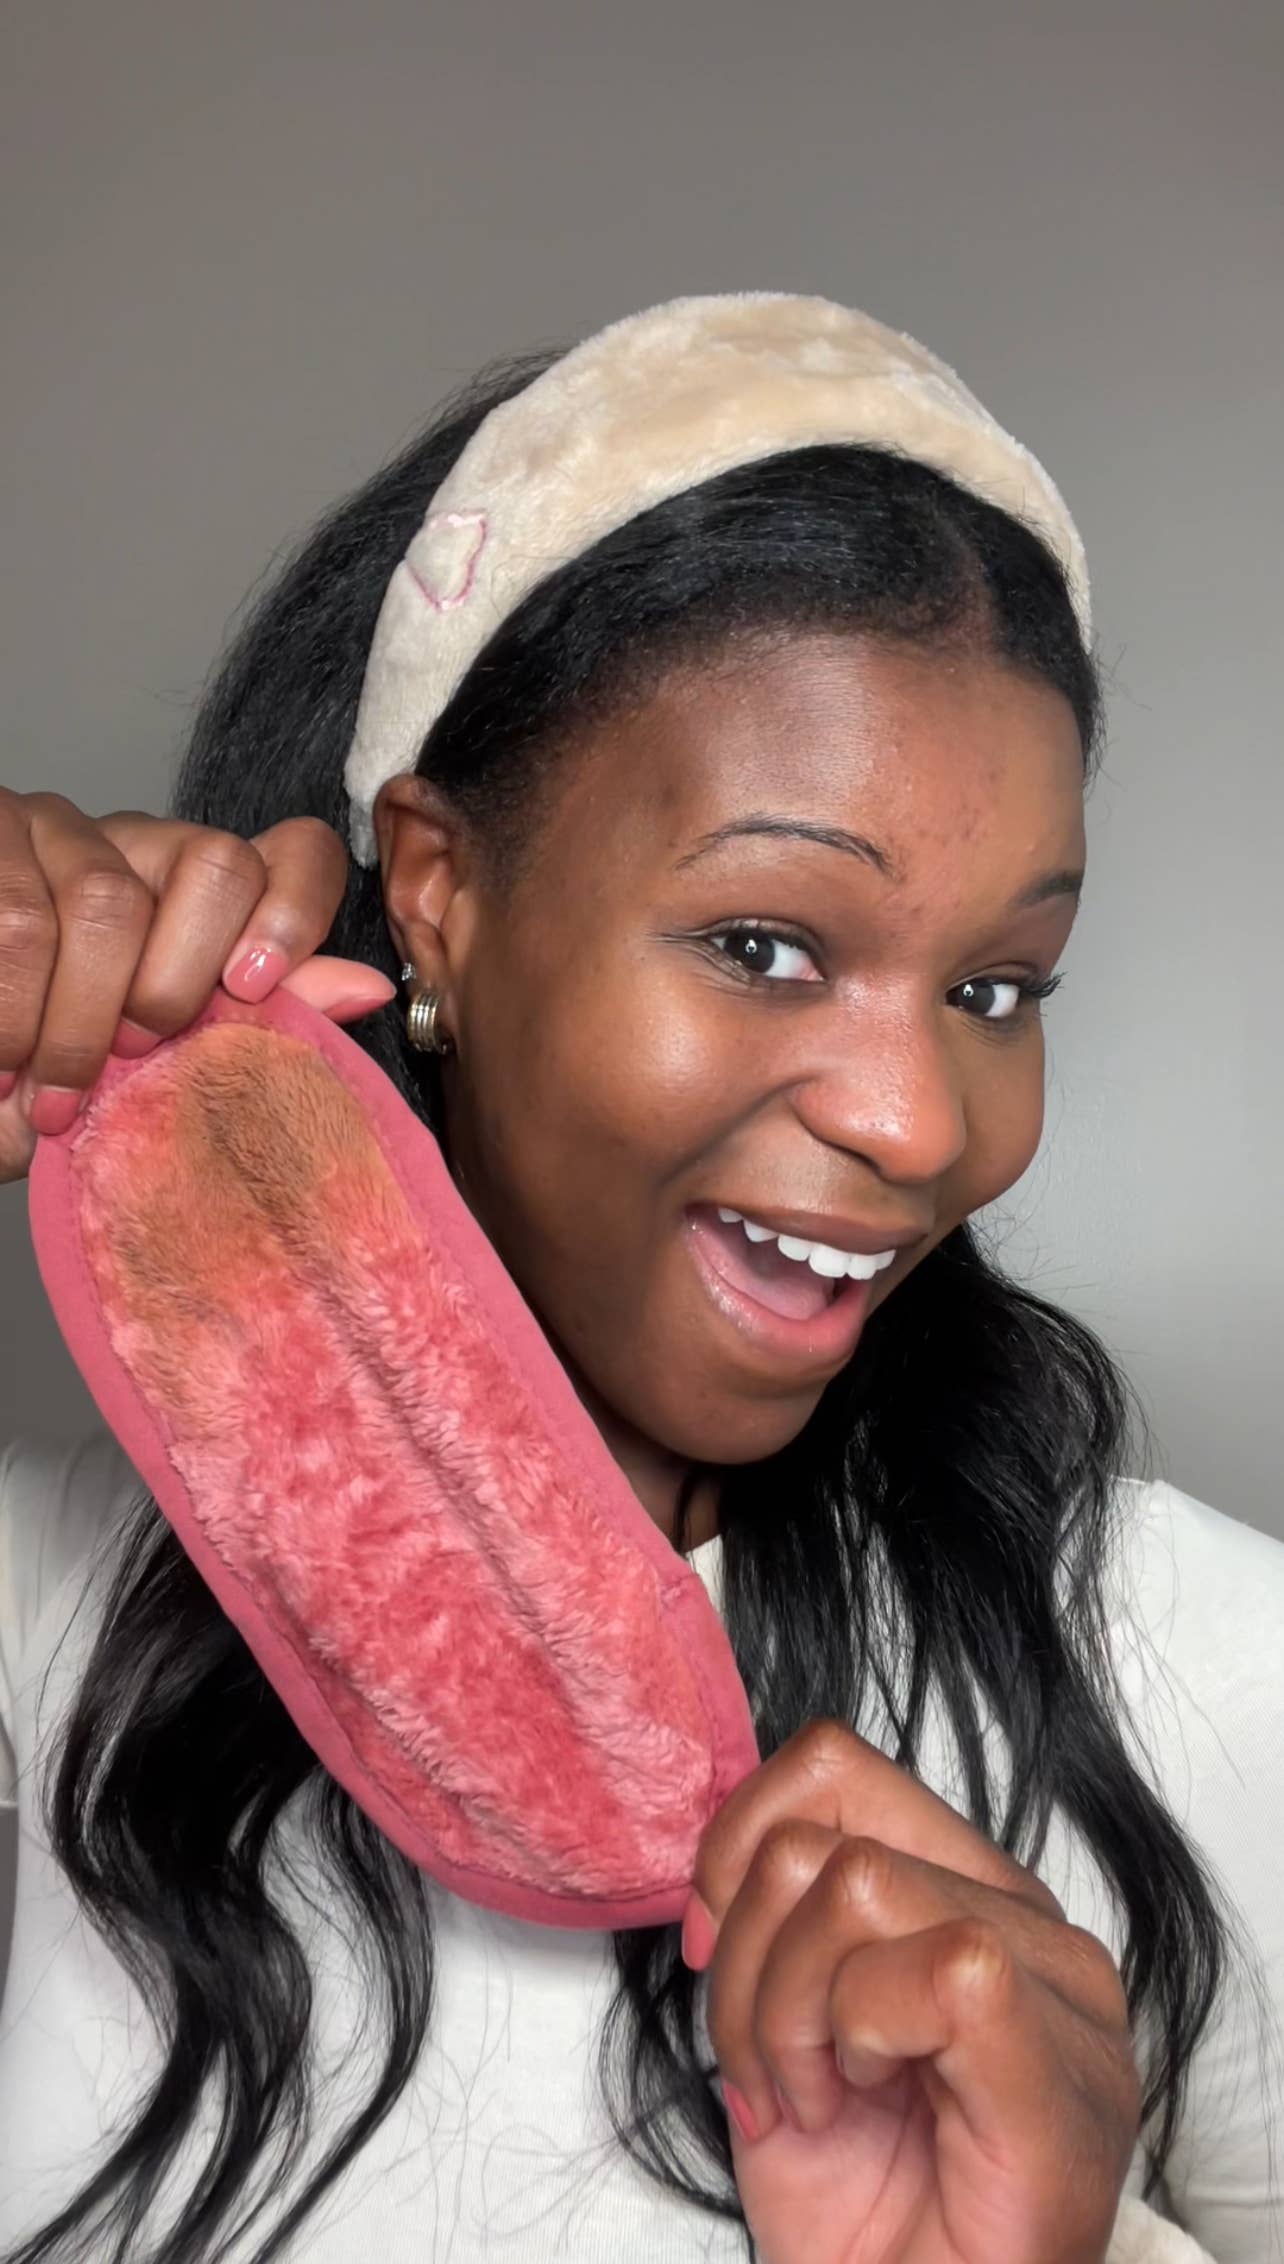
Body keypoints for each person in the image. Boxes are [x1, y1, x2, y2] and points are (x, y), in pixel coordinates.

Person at [0, 293, 1280, 2264]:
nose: (920, 1124)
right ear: (439, 893)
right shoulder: (45, 1621)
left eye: (996, 987)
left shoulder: (1211, 1664)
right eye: (766, 943)